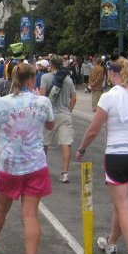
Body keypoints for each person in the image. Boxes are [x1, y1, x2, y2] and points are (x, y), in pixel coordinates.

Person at [75, 55, 128, 254]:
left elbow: (93, 129)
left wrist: (81, 149)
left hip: (117, 155)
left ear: (111, 74)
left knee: (123, 206)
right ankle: (110, 242)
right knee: (123, 203)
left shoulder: (108, 98)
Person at [0, 63, 55, 254]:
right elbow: (50, 126)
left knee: (1, 208)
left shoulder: (2, 103)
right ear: (32, 80)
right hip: (35, 164)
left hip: (9, 164)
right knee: (30, 214)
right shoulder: (42, 102)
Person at [40, 55, 77, 183]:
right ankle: (65, 173)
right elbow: (73, 98)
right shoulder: (68, 79)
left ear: (51, 65)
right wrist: (69, 110)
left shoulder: (46, 77)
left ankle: (41, 170)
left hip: (50, 114)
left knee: (44, 143)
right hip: (64, 114)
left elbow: (42, 96)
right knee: (65, 143)